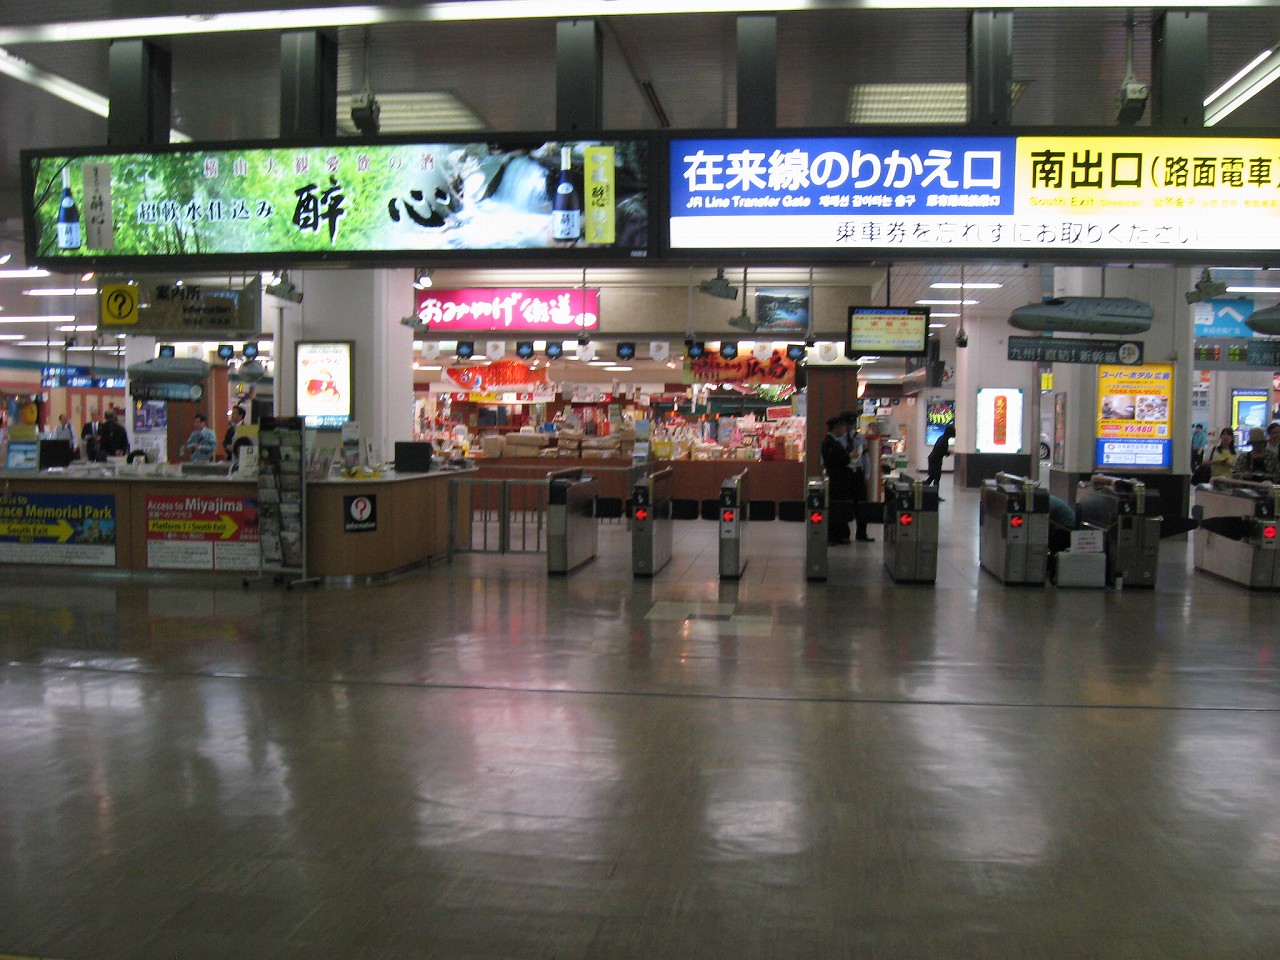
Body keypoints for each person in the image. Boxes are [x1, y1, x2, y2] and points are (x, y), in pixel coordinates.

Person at [820, 415, 854, 545]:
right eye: (842, 427)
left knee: (840, 507)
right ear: (836, 428)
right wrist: (848, 457)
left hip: (840, 480)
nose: (844, 430)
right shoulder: (829, 443)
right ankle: (832, 535)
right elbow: (833, 461)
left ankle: (840, 534)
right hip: (836, 480)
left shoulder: (835, 442)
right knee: (834, 507)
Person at [843, 412, 875, 542]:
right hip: (846, 473)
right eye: (848, 423)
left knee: (861, 504)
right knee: (845, 504)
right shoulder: (840, 439)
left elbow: (865, 456)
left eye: (852, 423)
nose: (850, 426)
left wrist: (867, 474)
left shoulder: (860, 438)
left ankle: (861, 533)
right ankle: (844, 534)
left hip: (857, 473)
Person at [924, 423, 955, 492]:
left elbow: (940, 449)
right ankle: (933, 492)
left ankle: (928, 490)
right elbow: (942, 451)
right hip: (935, 461)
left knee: (933, 477)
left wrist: (947, 452)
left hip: (933, 459)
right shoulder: (944, 440)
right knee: (936, 477)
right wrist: (949, 453)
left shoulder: (942, 438)